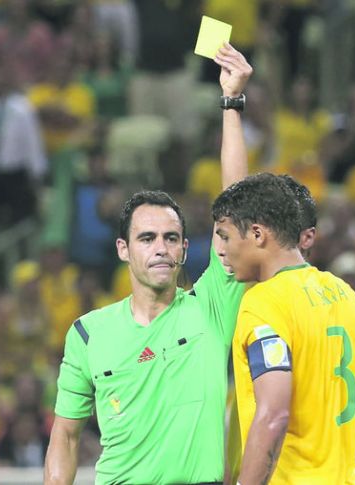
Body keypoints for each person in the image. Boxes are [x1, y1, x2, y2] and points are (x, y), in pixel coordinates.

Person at [44, 43, 253, 484]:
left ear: (184, 250)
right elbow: (64, 437)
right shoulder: (87, 333)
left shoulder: (211, 308)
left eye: (171, 238)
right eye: (147, 238)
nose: (160, 247)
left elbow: (235, 208)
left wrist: (231, 102)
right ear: (123, 249)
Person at [212, 173, 355, 484]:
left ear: (257, 234)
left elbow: (274, 415)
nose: (222, 250)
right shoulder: (347, 296)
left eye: (226, 236)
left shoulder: (264, 303)